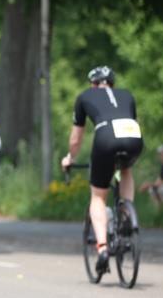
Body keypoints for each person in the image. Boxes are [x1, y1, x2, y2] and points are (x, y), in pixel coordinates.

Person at [61, 66, 143, 276]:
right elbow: (131, 121)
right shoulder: (127, 95)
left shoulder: (84, 96)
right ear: (112, 83)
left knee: (98, 196)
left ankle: (102, 248)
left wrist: (70, 158)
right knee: (125, 169)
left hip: (106, 136)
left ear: (93, 84)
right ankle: (126, 215)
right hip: (133, 137)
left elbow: (76, 139)